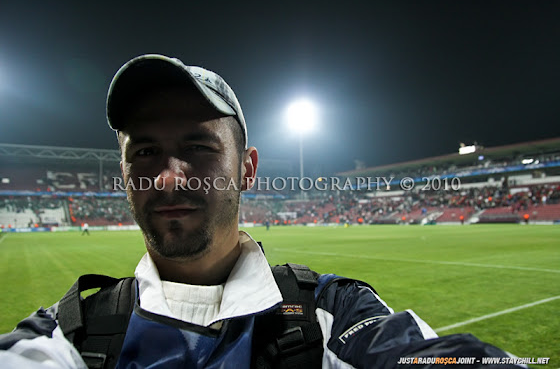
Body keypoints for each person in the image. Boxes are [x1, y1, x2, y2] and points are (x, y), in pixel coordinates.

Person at [0, 54, 522, 368]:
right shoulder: (69, 336)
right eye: (144, 151)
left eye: (199, 148)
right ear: (123, 173)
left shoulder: (332, 315)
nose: (168, 176)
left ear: (247, 169)